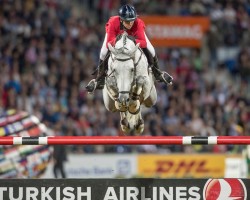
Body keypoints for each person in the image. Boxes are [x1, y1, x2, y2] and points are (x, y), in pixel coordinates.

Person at [86, 4, 173, 93]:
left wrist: (132, 40)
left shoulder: (138, 23)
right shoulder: (113, 22)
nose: (130, 23)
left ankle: (157, 73)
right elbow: (109, 43)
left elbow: (143, 43)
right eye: (127, 21)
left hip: (133, 39)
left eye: (132, 20)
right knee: (103, 52)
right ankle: (100, 79)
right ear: (121, 20)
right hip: (115, 39)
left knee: (151, 49)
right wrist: (119, 38)